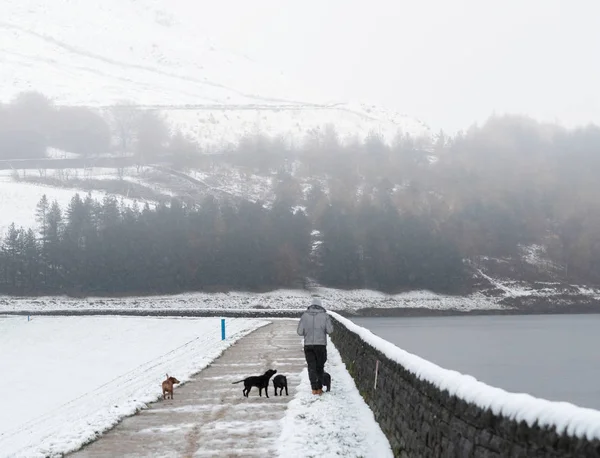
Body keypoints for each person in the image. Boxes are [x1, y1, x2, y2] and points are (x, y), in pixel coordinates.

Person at [297, 296, 333, 395]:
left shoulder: (304, 316)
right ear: (320, 306)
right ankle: (319, 388)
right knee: (320, 367)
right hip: (320, 345)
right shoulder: (325, 316)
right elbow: (330, 330)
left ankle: (314, 389)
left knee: (311, 367)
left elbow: (299, 332)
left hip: (308, 345)